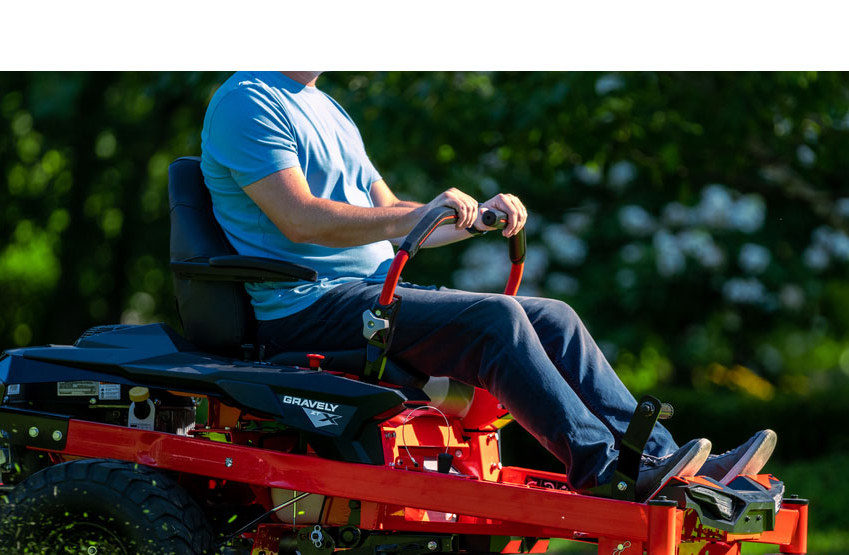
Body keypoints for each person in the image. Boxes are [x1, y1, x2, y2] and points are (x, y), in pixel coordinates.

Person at [199, 71, 776, 499]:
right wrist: (415, 217)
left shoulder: (328, 109)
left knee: (552, 315)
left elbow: (399, 214)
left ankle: (663, 459)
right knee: (495, 321)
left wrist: (478, 218)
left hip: (372, 292)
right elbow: (300, 218)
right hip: (307, 304)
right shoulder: (247, 101)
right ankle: (602, 471)